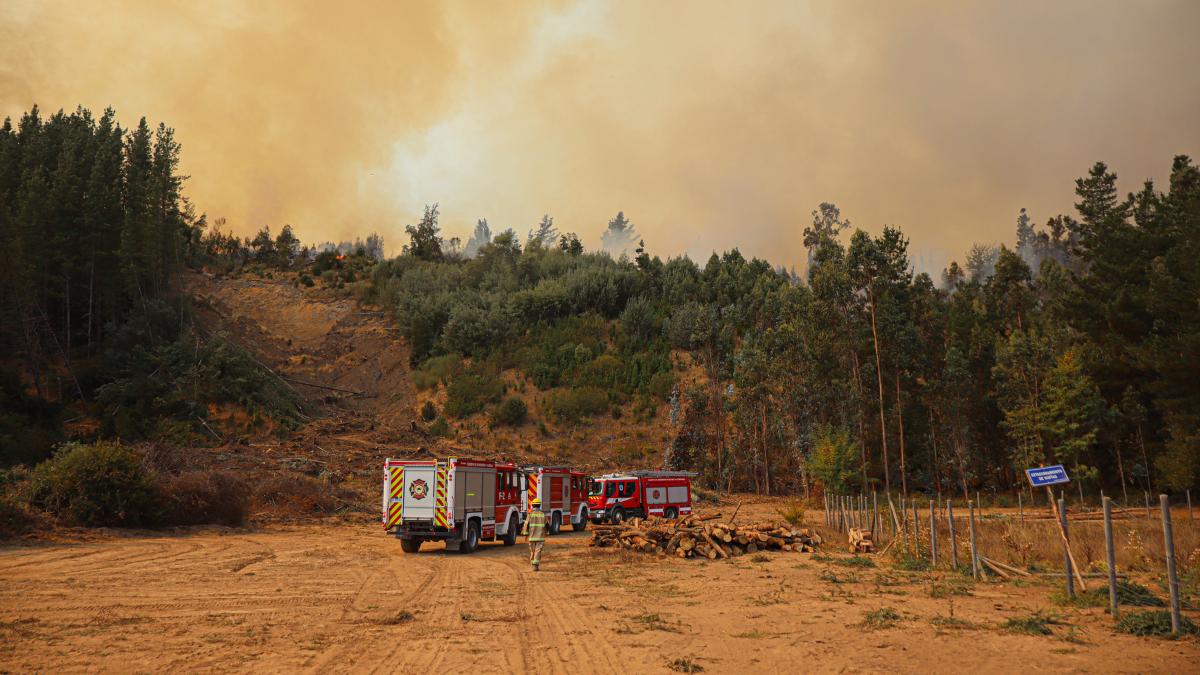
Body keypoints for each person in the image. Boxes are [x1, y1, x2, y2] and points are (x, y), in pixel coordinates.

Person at [522, 497, 547, 571]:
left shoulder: (530, 515)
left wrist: (525, 535)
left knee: (533, 551)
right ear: (540, 506)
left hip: (531, 537)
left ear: (532, 506)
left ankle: (533, 563)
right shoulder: (543, 515)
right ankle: (535, 564)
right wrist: (546, 533)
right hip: (540, 537)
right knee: (538, 550)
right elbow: (547, 525)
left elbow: (526, 525)